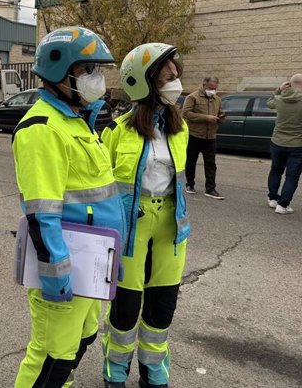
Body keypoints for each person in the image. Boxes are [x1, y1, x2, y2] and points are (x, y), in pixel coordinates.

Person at [12, 27, 127, 387]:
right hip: (67, 271)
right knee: (50, 358)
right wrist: (57, 276)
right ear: (59, 71)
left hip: (92, 265)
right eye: (88, 70)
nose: (97, 78)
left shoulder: (77, 121)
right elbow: (42, 212)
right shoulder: (42, 128)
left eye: (98, 69)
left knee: (82, 340)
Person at [100, 43, 190, 388]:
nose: (176, 82)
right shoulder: (119, 129)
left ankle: (153, 369)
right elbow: (103, 182)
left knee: (163, 301)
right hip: (130, 225)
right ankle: (115, 368)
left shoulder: (179, 128)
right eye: (168, 76)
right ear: (146, 81)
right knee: (126, 303)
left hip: (170, 223)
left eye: (176, 75)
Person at [181, 76, 225, 199]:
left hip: (211, 136)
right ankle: (190, 184)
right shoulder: (192, 97)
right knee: (191, 161)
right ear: (204, 85)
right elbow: (186, 113)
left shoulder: (217, 99)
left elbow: (220, 112)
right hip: (194, 134)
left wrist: (221, 117)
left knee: (211, 163)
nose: (213, 90)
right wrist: (206, 117)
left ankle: (210, 188)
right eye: (211, 88)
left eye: (215, 88)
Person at [266, 73, 302, 214]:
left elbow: (268, 103)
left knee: (276, 170)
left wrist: (278, 89)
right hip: (298, 144)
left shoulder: (280, 98)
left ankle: (273, 199)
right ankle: (283, 205)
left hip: (277, 142)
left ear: (289, 84)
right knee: (292, 176)